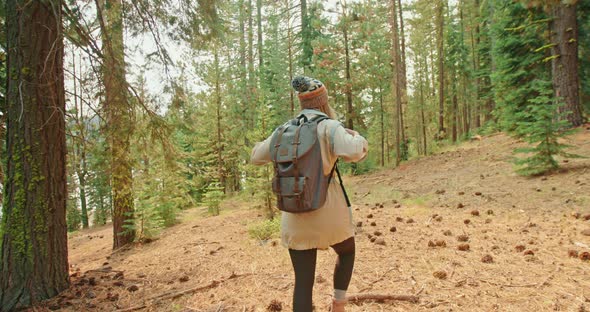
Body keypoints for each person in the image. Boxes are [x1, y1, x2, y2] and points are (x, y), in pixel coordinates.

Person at [251, 76, 368, 312]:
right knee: (347, 252)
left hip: (295, 218)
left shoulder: (284, 130)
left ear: (303, 104)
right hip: (329, 215)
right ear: (323, 103)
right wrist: (356, 136)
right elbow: (355, 152)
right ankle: (338, 305)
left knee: (303, 283)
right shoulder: (330, 126)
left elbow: (256, 156)